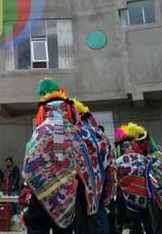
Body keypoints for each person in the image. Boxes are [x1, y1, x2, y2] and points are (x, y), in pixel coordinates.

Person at [22, 78, 84, 233]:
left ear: (45, 110)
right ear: (65, 109)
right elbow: (79, 162)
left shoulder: (40, 132)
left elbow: (27, 169)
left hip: (41, 194)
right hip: (66, 196)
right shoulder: (73, 132)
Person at [72, 99, 117, 234]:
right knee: (100, 215)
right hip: (101, 181)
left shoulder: (76, 132)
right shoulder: (100, 134)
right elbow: (111, 160)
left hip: (83, 183)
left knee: (84, 219)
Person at [130, 124, 162, 234]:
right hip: (143, 193)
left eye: (144, 141)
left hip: (158, 193)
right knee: (147, 221)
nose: (142, 144)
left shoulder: (157, 153)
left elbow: (160, 172)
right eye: (139, 143)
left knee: (159, 219)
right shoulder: (137, 157)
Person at [114, 125, 153, 234]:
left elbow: (115, 178)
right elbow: (149, 174)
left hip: (129, 196)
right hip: (144, 194)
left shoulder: (118, 161)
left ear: (122, 149)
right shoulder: (143, 159)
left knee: (135, 220)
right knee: (147, 219)